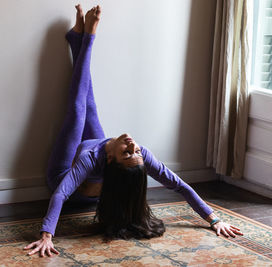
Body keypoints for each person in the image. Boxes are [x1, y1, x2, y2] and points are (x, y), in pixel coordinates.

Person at [24, 4, 243, 258]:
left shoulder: (90, 159)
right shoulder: (136, 155)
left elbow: (62, 193)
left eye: (127, 153)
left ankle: (87, 39)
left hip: (63, 178)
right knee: (88, 103)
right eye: (135, 149)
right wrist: (214, 219)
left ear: (110, 159)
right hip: (91, 180)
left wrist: (46, 234)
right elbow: (179, 185)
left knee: (76, 112)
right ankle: (76, 40)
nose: (132, 144)